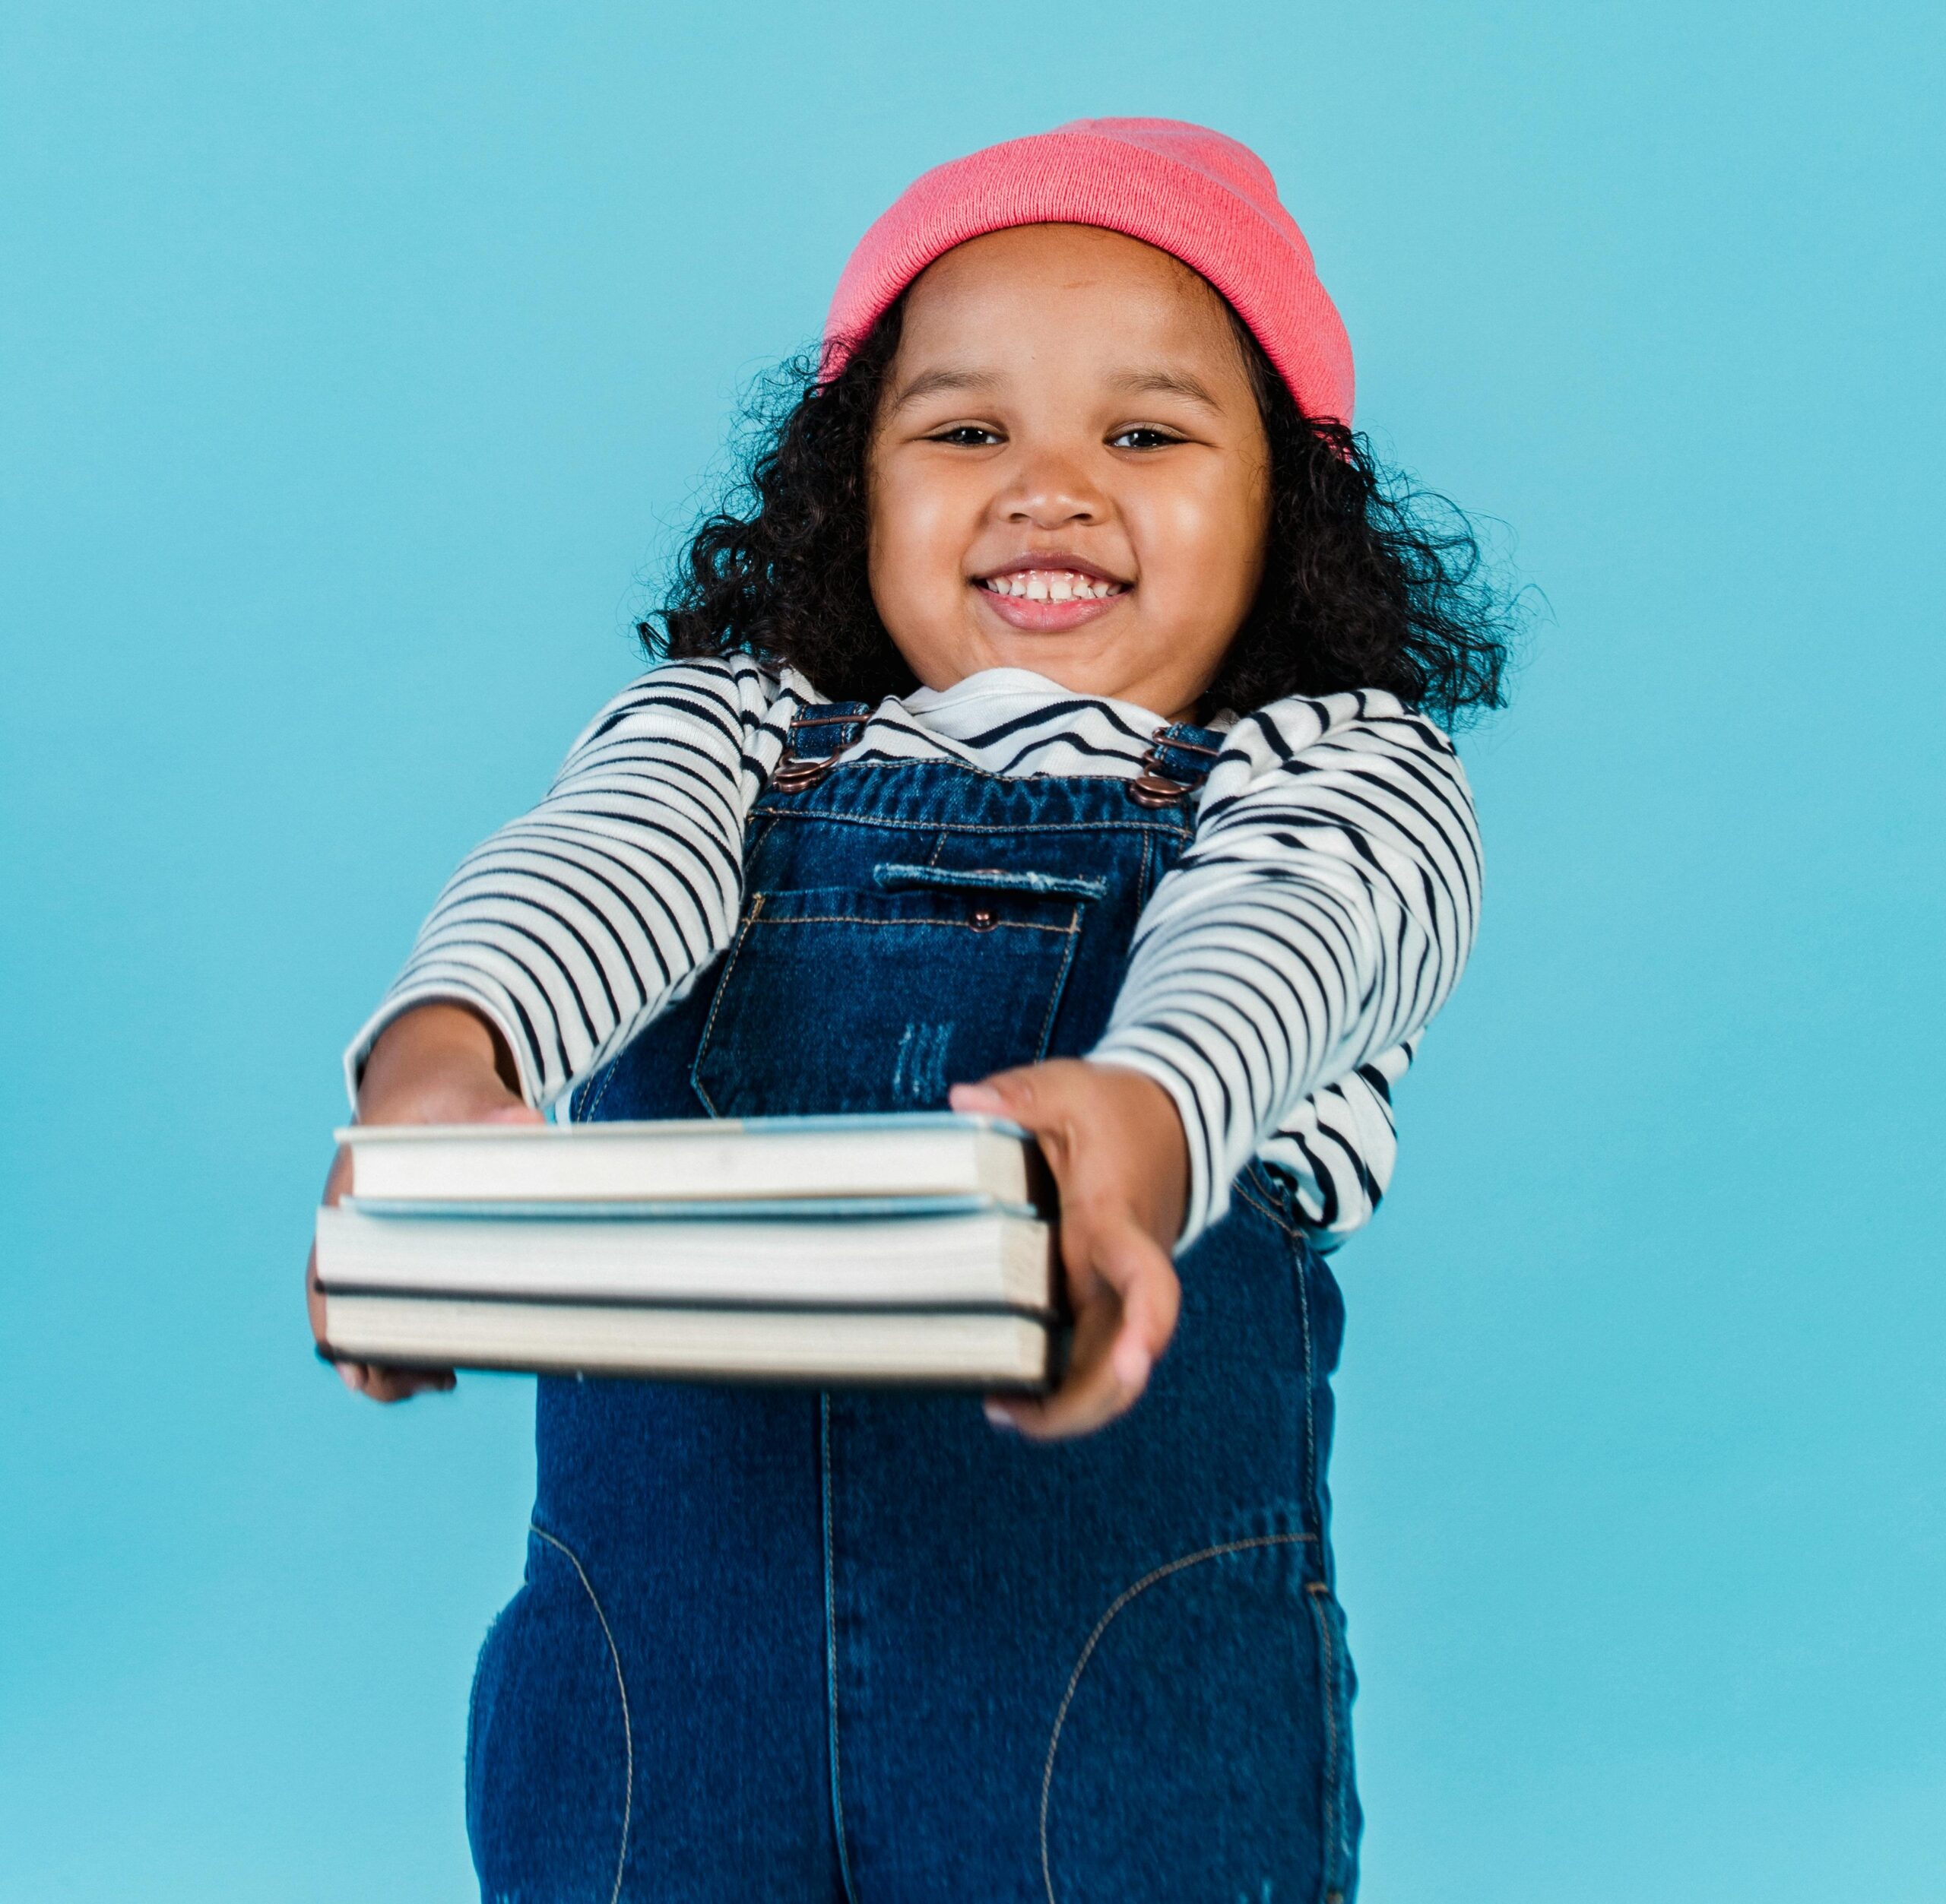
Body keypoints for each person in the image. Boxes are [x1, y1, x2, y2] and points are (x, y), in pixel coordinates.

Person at [312, 118, 1513, 1902]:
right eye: (964, 430)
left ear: (1285, 507)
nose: (1047, 483)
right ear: (847, 493)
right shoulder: (729, 731)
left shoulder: (1332, 771)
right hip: (657, 1707)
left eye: (1145, 431)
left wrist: (1130, 1125)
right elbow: (591, 859)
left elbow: (1283, 941)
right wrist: (446, 1060)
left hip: (1108, 1710)